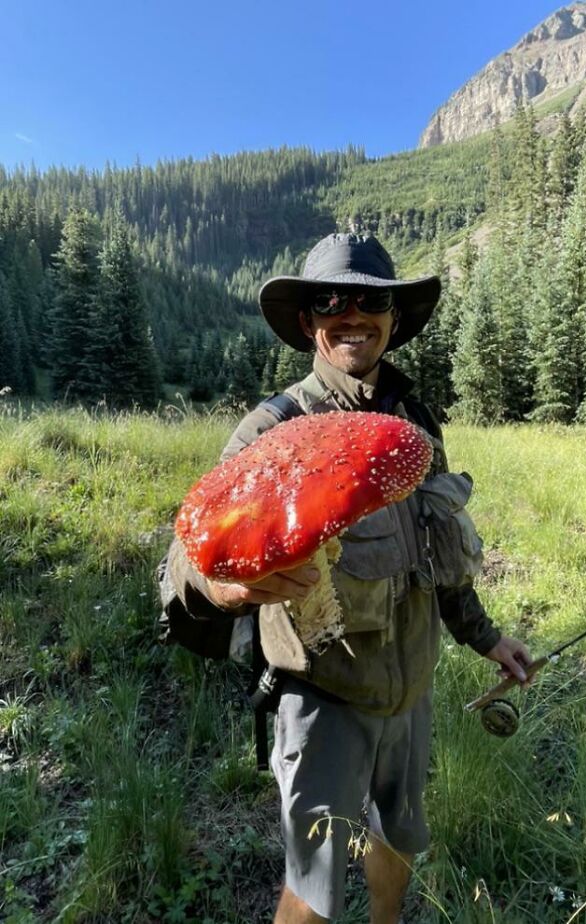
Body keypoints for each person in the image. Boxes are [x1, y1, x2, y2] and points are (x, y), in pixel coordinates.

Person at [165, 233, 531, 923]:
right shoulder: (273, 429)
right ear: (309, 322)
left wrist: (486, 638)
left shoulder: (412, 427)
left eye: (371, 300)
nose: (353, 314)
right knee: (314, 886)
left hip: (411, 688)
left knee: (396, 840)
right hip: (323, 696)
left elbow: (439, 548)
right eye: (332, 300)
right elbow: (192, 550)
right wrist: (220, 590)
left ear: (394, 319)